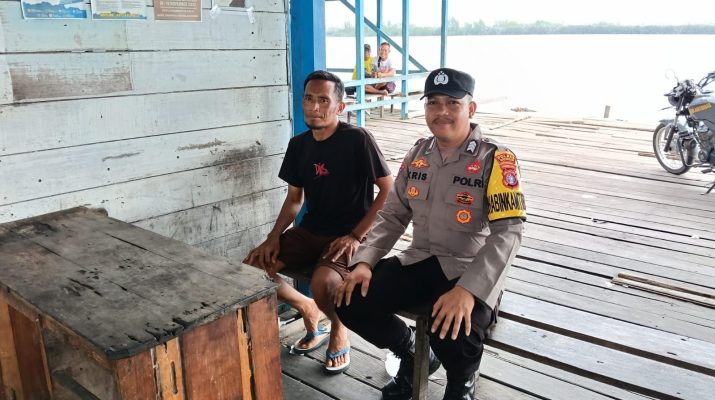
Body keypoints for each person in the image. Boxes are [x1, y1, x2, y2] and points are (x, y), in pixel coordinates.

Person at [335, 68, 526, 399]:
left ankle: (461, 384)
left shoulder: (496, 158)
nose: (442, 112)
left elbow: (508, 232)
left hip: (470, 267)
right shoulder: (418, 154)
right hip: (421, 258)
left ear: (471, 108)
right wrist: (364, 262)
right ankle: (410, 354)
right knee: (352, 300)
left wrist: (468, 290)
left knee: (453, 328)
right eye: (433, 103)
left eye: (452, 103)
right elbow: (393, 215)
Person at [243, 70, 393, 374]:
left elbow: (388, 191)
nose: (314, 107)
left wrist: (356, 236)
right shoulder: (299, 145)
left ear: (340, 106)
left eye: (324, 100)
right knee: (252, 269)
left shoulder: (358, 139)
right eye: (309, 99)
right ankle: (307, 307)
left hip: (350, 233)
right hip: (310, 230)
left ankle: (338, 327)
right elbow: (294, 199)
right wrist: (273, 236)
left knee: (323, 283)